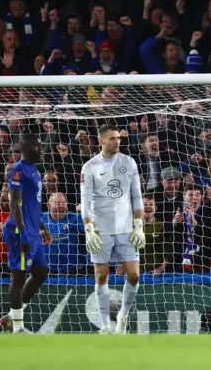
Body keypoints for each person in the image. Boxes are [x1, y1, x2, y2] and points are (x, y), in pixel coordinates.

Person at [80, 124, 146, 334]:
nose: (116, 141)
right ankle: (105, 325)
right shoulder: (90, 166)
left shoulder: (129, 162)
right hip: (101, 229)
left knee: (134, 275)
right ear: (101, 141)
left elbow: (137, 196)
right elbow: (86, 200)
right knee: (101, 277)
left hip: (127, 228)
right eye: (111, 138)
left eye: (118, 138)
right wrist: (89, 229)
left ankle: (123, 316)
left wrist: (139, 226)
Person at [0, 134, 52, 333]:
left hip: (33, 229)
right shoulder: (17, 170)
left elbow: (31, 205)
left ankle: (12, 317)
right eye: (37, 145)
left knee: (40, 273)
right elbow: (14, 204)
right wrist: (23, 234)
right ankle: (18, 328)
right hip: (19, 230)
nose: (41, 148)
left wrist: (42, 227)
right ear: (25, 148)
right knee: (19, 277)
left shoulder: (35, 171)